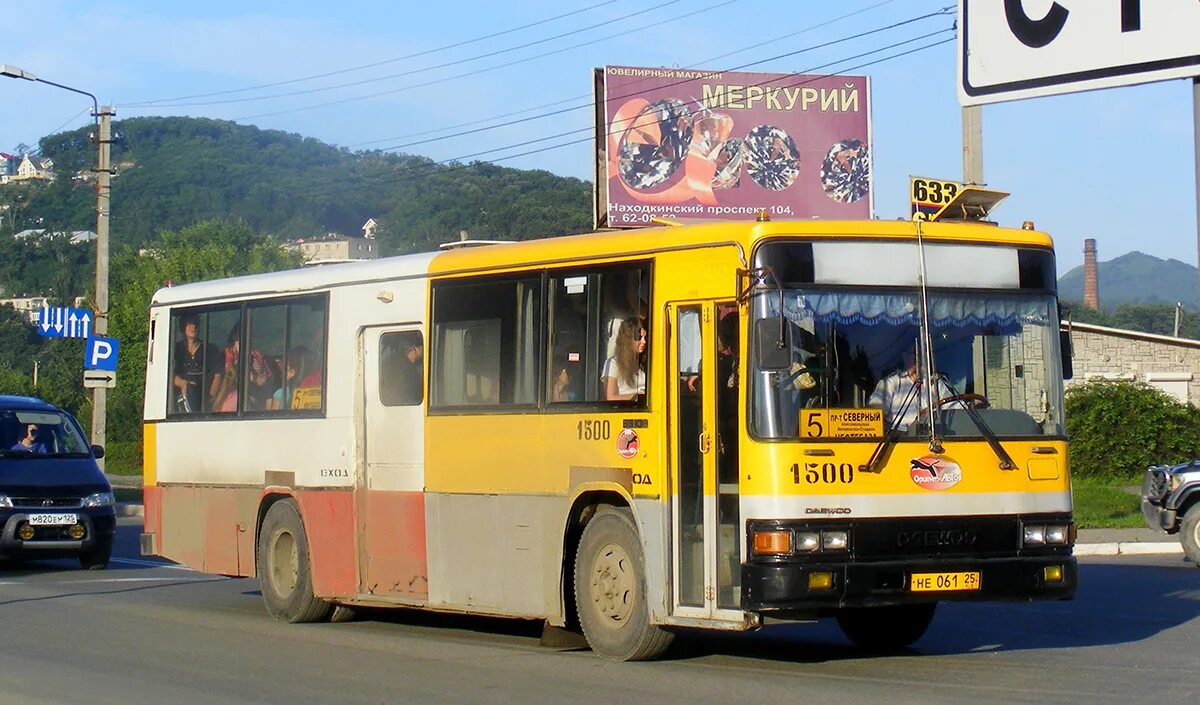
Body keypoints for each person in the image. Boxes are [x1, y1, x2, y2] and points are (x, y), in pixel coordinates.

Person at [868, 347, 957, 431]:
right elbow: (873, 416)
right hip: (899, 441)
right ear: (904, 356)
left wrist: (970, 406)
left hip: (934, 437)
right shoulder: (891, 383)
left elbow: (956, 410)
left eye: (921, 353)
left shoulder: (937, 384)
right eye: (914, 353)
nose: (917, 358)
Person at [171, 314, 220, 413]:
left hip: (205, 398)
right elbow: (167, 373)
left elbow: (217, 375)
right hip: (181, 399)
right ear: (182, 326)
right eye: (190, 323)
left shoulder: (210, 349)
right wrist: (182, 383)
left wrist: (211, 398)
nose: (194, 326)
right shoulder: (175, 350)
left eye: (196, 323)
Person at [602, 317, 646, 401]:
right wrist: (638, 397)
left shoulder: (645, 363)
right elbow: (610, 397)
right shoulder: (612, 364)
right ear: (628, 339)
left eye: (645, 337)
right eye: (639, 338)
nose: (644, 341)